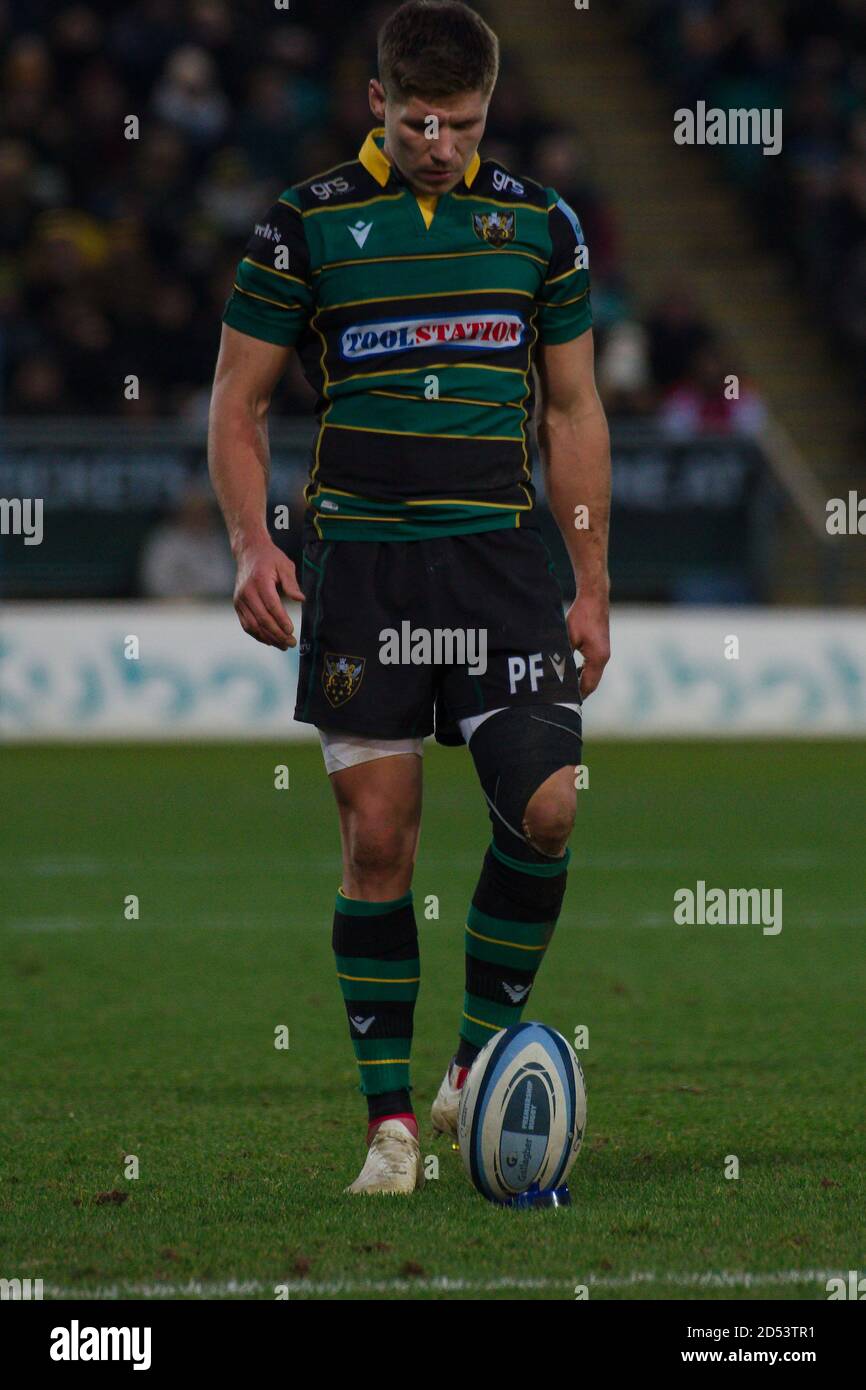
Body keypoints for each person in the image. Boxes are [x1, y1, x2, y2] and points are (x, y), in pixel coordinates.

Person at [208, 0, 610, 1196]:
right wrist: (248, 541)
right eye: (421, 121)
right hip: (366, 568)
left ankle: (474, 1065)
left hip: (500, 565)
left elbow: (575, 411)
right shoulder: (304, 227)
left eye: (466, 124)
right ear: (377, 103)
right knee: (378, 842)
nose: (443, 143)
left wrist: (588, 578)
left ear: (490, 110)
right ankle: (390, 1130)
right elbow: (237, 404)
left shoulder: (538, 224)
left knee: (546, 808)